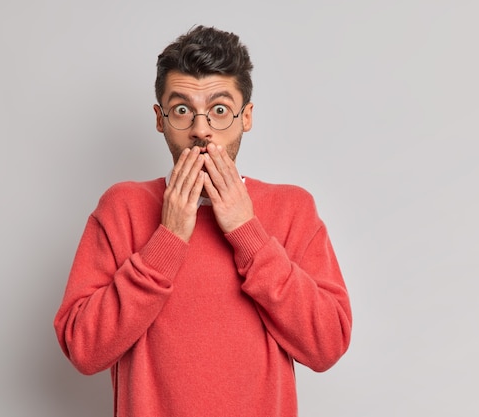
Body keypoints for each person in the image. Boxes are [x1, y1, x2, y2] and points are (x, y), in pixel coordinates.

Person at [54, 25, 352, 417]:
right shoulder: (122, 207)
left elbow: (327, 344)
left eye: (219, 110)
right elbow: (84, 349)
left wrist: (248, 233)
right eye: (182, 110)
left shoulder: (292, 208)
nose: (201, 129)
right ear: (160, 120)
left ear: (246, 117)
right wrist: (167, 240)